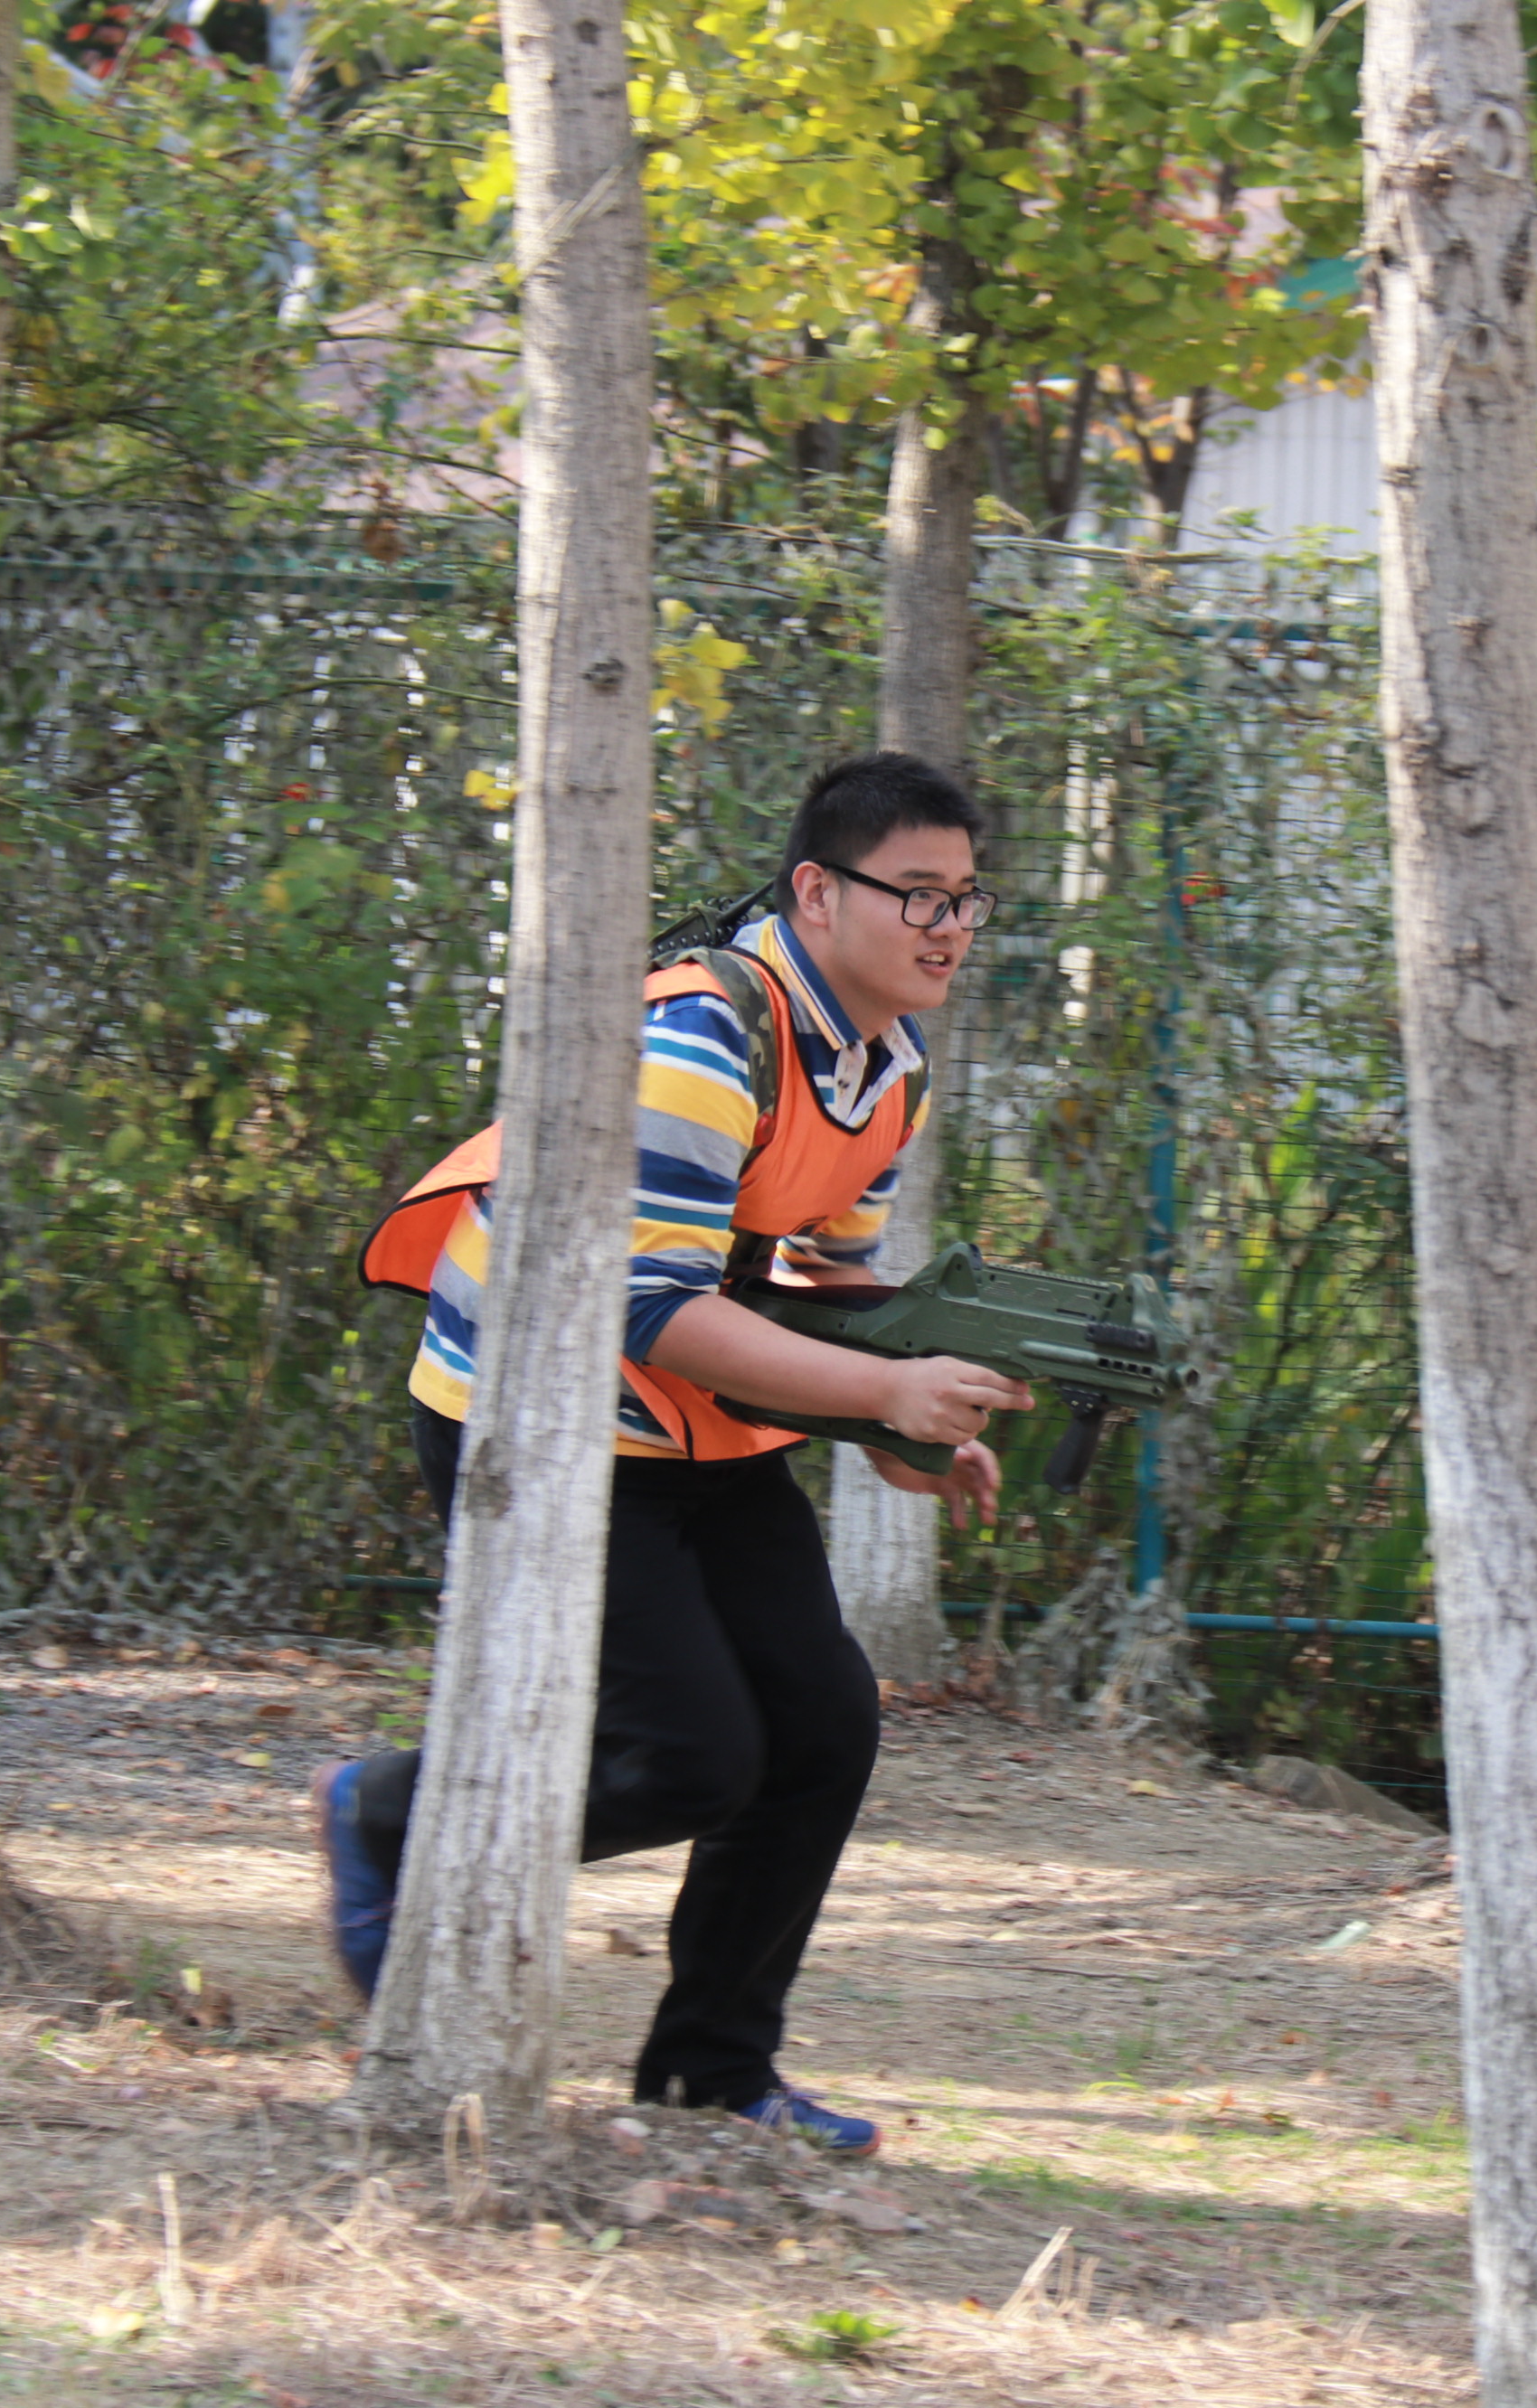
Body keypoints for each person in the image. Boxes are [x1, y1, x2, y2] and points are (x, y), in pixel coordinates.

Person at [323, 750, 1031, 2156]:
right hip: (535, 1414)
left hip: (687, 1416)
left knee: (822, 1727)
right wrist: (883, 1396)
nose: (948, 927)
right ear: (817, 892)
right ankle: (389, 1811)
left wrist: (889, 1429)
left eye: (965, 898)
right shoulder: (706, 1033)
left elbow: (819, 1283)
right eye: (917, 894)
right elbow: (648, 1306)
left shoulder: (889, 1065)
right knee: (693, 1755)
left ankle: (713, 2077)